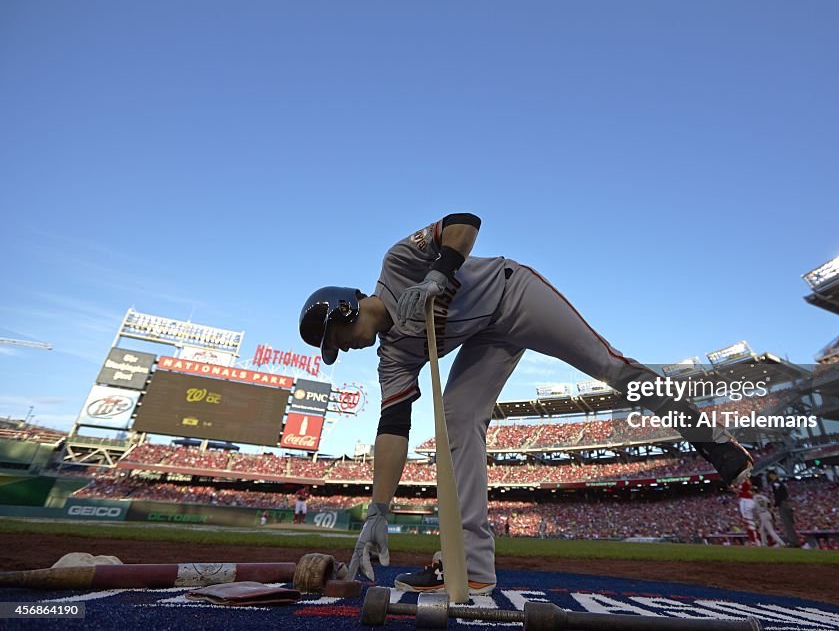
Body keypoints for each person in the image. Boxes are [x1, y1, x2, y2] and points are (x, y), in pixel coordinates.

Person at [299, 213, 753, 595]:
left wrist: (438, 271)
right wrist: (379, 508)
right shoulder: (391, 358)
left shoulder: (398, 263)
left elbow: (464, 222)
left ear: (344, 308)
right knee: (457, 417)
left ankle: (712, 438)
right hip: (487, 338)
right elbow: (393, 427)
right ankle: (473, 566)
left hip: (514, 293)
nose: (343, 349)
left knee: (607, 364)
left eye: (335, 339)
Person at [767, 469, 799, 547]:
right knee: (789, 524)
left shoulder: (776, 484)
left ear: (771, 475)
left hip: (783, 504)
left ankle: (793, 542)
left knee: (787, 524)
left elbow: (778, 496)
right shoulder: (780, 483)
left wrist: (774, 506)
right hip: (786, 503)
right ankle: (794, 541)